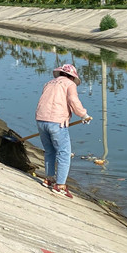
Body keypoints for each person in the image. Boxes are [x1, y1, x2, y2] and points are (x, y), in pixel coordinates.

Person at [35, 64, 91, 199]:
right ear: (72, 77)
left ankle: (49, 179)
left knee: (49, 151)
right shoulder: (70, 84)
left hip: (40, 119)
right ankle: (60, 186)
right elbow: (73, 100)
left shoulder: (49, 83)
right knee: (64, 153)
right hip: (57, 122)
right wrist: (83, 115)